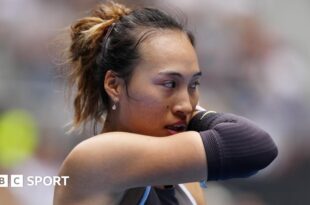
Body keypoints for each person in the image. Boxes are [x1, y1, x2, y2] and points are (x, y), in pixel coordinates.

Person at [53, 2, 278, 205]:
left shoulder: (186, 182)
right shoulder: (96, 158)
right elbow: (255, 146)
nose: (185, 104)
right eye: (170, 84)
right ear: (114, 85)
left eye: (193, 85)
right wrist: (197, 116)